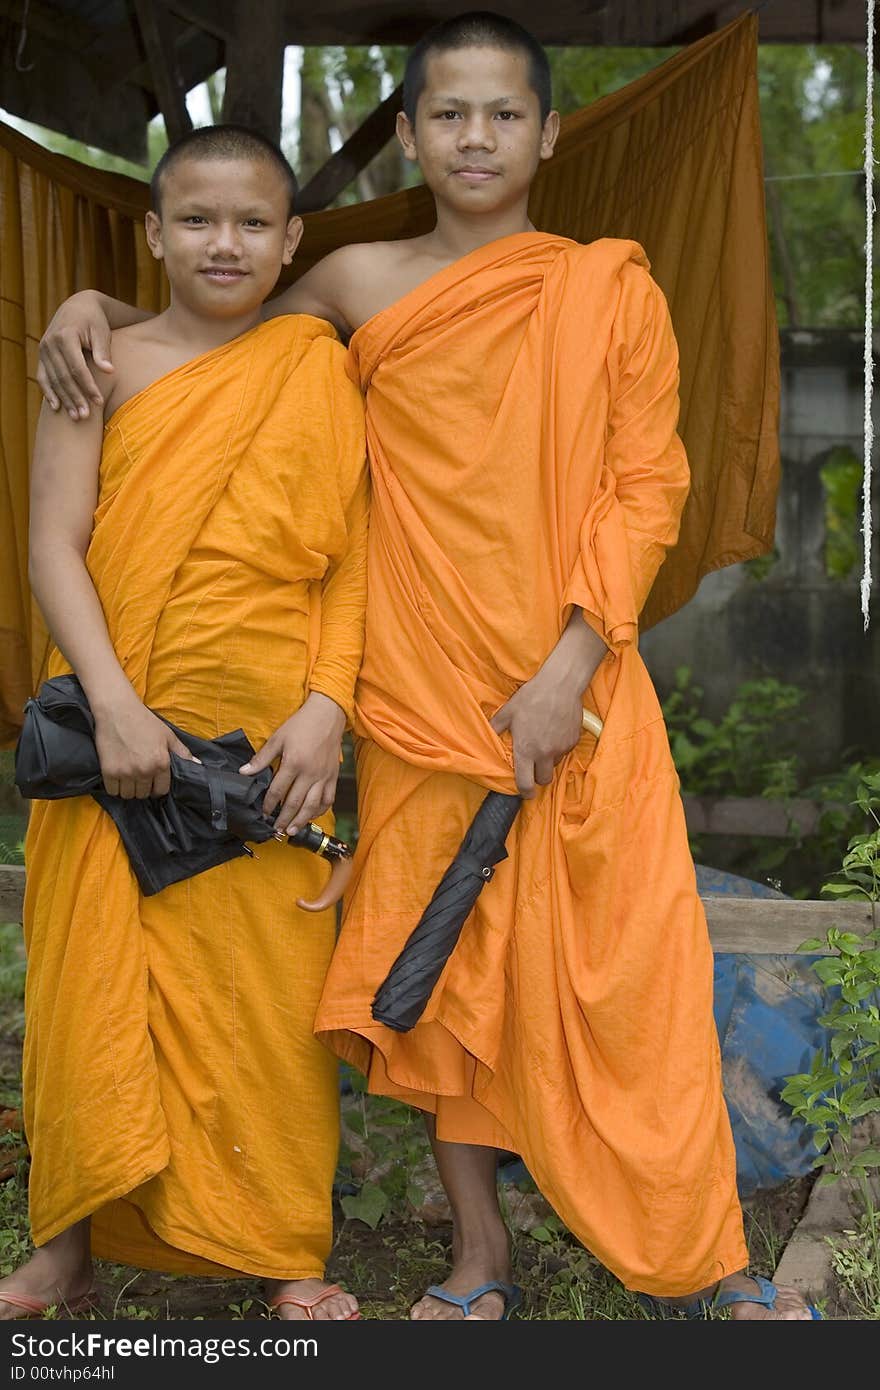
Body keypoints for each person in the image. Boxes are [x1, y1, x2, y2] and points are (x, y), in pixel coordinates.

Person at [35, 13, 818, 1322]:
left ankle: (711, 1255)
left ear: (549, 133)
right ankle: (477, 1258)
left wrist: (575, 660)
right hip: (419, 687)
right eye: (447, 114)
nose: (474, 136)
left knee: (637, 970)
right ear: (406, 135)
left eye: (503, 114)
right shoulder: (351, 284)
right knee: (446, 977)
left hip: (582, 683)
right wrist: (94, 304)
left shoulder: (605, 285)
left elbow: (646, 483)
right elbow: (216, 349)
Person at [2, 125, 368, 1322]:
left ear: (292, 241)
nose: (225, 243)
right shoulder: (99, 361)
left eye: (252, 223)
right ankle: (66, 1246)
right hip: (115, 719)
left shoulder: (315, 359)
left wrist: (328, 706)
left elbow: (352, 557)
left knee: (265, 992)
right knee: (87, 987)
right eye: (197, 220)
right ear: (153, 234)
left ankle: (284, 1250)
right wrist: (112, 703)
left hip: (266, 735)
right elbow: (51, 540)